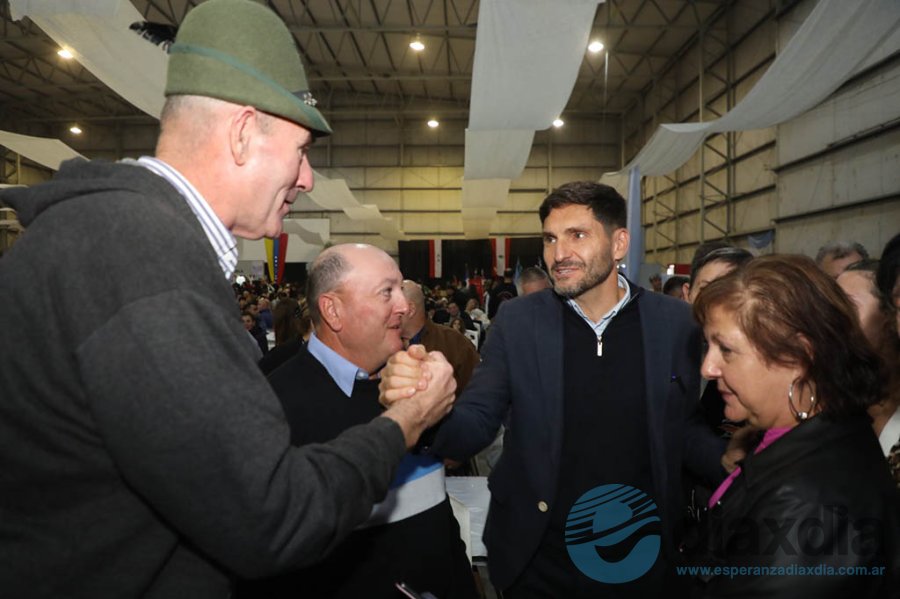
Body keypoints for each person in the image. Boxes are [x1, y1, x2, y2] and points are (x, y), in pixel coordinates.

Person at [0, 1, 454, 596]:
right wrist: (405, 421)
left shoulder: (120, 243)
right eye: (301, 150)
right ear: (243, 133)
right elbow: (274, 518)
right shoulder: (140, 261)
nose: (308, 177)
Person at [383, 181, 726, 597]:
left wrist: (748, 465)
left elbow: (682, 427)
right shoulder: (519, 322)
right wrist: (424, 410)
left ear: (619, 244)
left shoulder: (674, 323)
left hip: (643, 554)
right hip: (541, 557)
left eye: (577, 235)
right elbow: (477, 421)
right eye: (550, 238)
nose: (558, 254)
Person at [241, 245, 476, 599]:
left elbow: (438, 508)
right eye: (386, 292)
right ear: (333, 311)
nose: (405, 306)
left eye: (401, 290)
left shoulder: (412, 382)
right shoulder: (273, 406)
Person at [688, 255, 900, 597]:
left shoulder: (813, 502)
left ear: (798, 356)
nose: (707, 368)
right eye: (708, 346)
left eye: (726, 349)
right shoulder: (804, 434)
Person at [400, 280, 480, 398]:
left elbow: (479, 392)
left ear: (410, 309)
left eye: (391, 305)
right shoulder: (382, 343)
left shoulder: (454, 342)